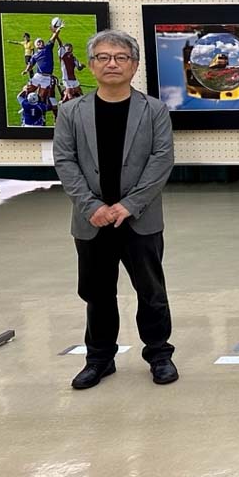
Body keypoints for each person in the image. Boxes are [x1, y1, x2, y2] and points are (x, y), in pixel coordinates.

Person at [53, 29, 177, 390]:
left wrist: (128, 204)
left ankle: (159, 354)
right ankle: (99, 359)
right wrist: (92, 206)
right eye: (104, 57)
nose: (112, 63)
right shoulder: (71, 112)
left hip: (140, 220)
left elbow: (161, 160)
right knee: (97, 293)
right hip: (92, 221)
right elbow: (65, 161)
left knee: (151, 292)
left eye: (121, 57)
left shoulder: (153, 110)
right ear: (91, 65)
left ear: (134, 65)